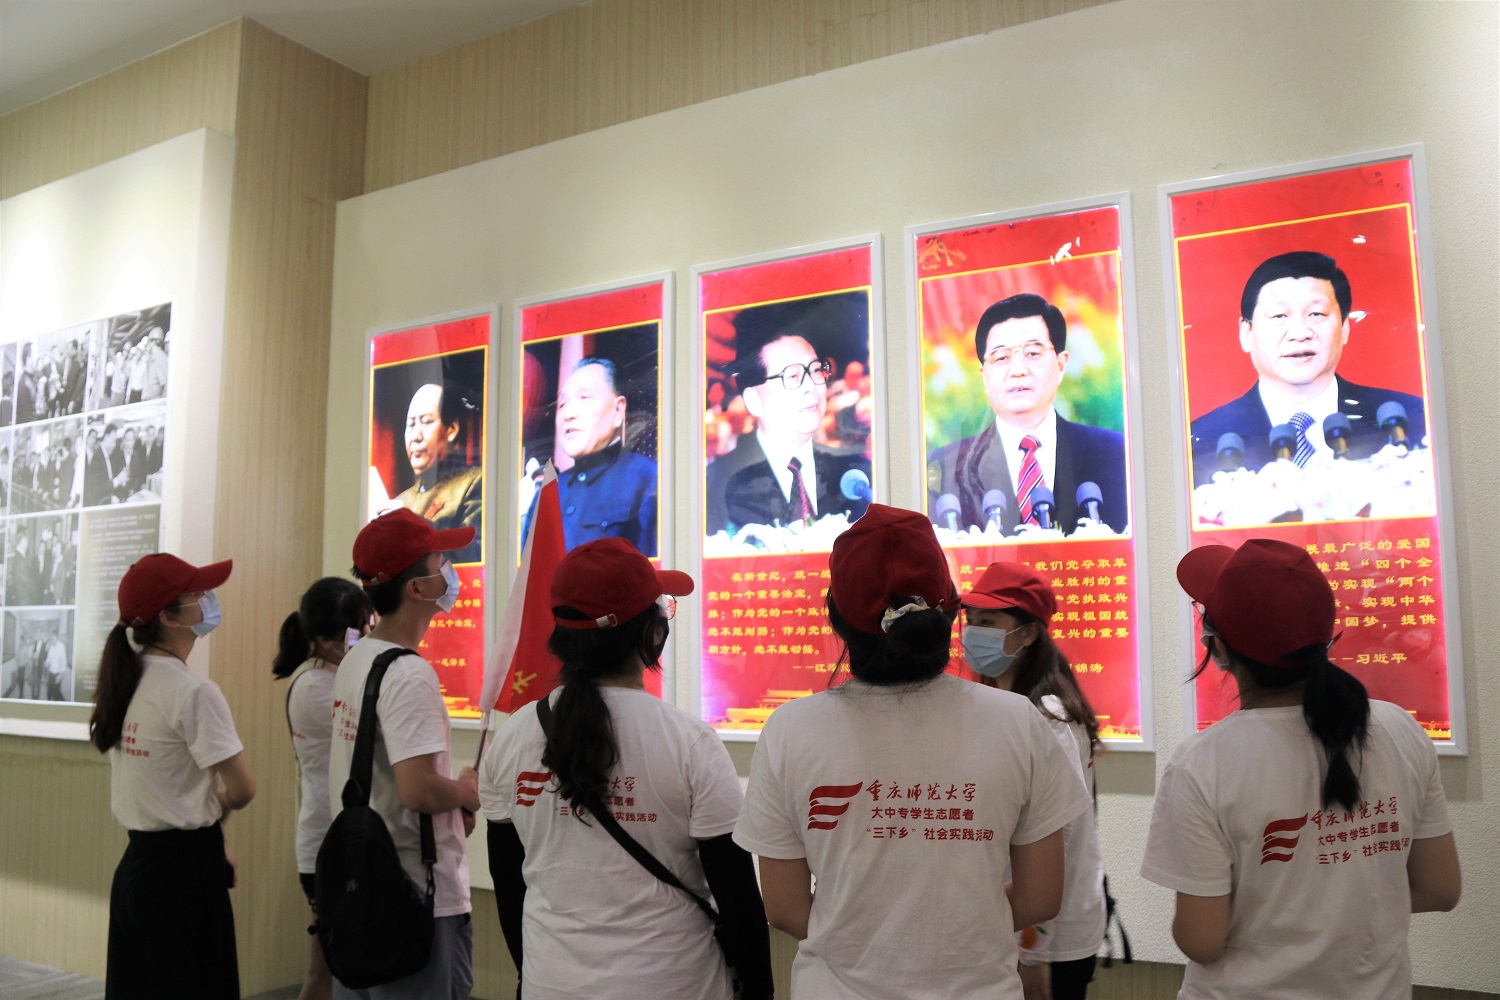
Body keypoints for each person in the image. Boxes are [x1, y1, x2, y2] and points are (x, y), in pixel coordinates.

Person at [734, 503, 1090, 999]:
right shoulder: (1018, 721)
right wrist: (960, 931)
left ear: (837, 618)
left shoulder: (790, 729)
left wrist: (870, 940)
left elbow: (784, 908)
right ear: (949, 611)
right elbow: (1040, 896)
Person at [1141, 539, 1461, 997]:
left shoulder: (1203, 762)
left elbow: (1202, 940)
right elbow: (1440, 889)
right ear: (1324, 638)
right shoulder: (1400, 729)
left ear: (1219, 647)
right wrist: (1338, 912)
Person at [480, 538, 772, 1000]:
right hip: (674, 985)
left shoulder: (512, 739)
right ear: (652, 634)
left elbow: (509, 881)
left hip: (550, 983)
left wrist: (530, 975)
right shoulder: (689, 743)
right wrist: (759, 990)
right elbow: (736, 895)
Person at [87, 552, 255, 998]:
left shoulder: (126, 679)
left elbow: (169, 788)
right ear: (169, 617)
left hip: (138, 869)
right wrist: (216, 812)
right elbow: (243, 789)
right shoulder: (193, 691)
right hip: (186, 879)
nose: (209, 599)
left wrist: (214, 832)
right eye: (199, 594)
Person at [331, 507, 482, 998]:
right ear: (416, 588)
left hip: (364, 889)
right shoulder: (409, 672)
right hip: (416, 895)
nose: (450, 572)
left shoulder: (357, 658)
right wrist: (467, 791)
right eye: (441, 563)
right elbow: (418, 790)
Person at [960, 561, 1106, 1000]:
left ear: (1027, 635)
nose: (973, 632)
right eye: (971, 620)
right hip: (1010, 924)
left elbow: (1058, 839)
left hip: (1047, 941)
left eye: (988, 622)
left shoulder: (1049, 717)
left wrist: (1033, 952)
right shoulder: (1002, 706)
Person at [1189, 251, 1429, 486]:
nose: (1300, 333)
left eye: (1316, 314)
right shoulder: (1203, 440)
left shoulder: (1412, 419)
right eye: (1278, 316)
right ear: (1246, 333)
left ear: (1344, 328)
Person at [927, 293, 1129, 535]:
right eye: (1001, 357)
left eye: (1032, 353)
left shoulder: (1116, 454)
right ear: (984, 376)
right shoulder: (945, 469)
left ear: (1061, 364)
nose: (1018, 370)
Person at [274, 577, 377, 1000]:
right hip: (328, 846)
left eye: (367, 624)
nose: (365, 636)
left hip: (335, 840)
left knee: (325, 973)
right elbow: (379, 735)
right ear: (323, 640)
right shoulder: (317, 687)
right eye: (356, 631)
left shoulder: (329, 677)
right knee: (334, 975)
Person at [706, 330, 871, 535]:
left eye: (816, 370)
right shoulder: (713, 484)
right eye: (793, 376)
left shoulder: (855, 473)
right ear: (754, 401)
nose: (811, 385)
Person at [523, 356, 658, 556]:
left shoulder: (646, 477)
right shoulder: (549, 492)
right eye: (562, 404)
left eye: (584, 397)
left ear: (618, 409)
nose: (568, 414)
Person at [390, 382, 483, 564]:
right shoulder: (401, 501)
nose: (416, 437)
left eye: (426, 422)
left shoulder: (473, 482)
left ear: (452, 430)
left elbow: (475, 553)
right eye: (410, 425)